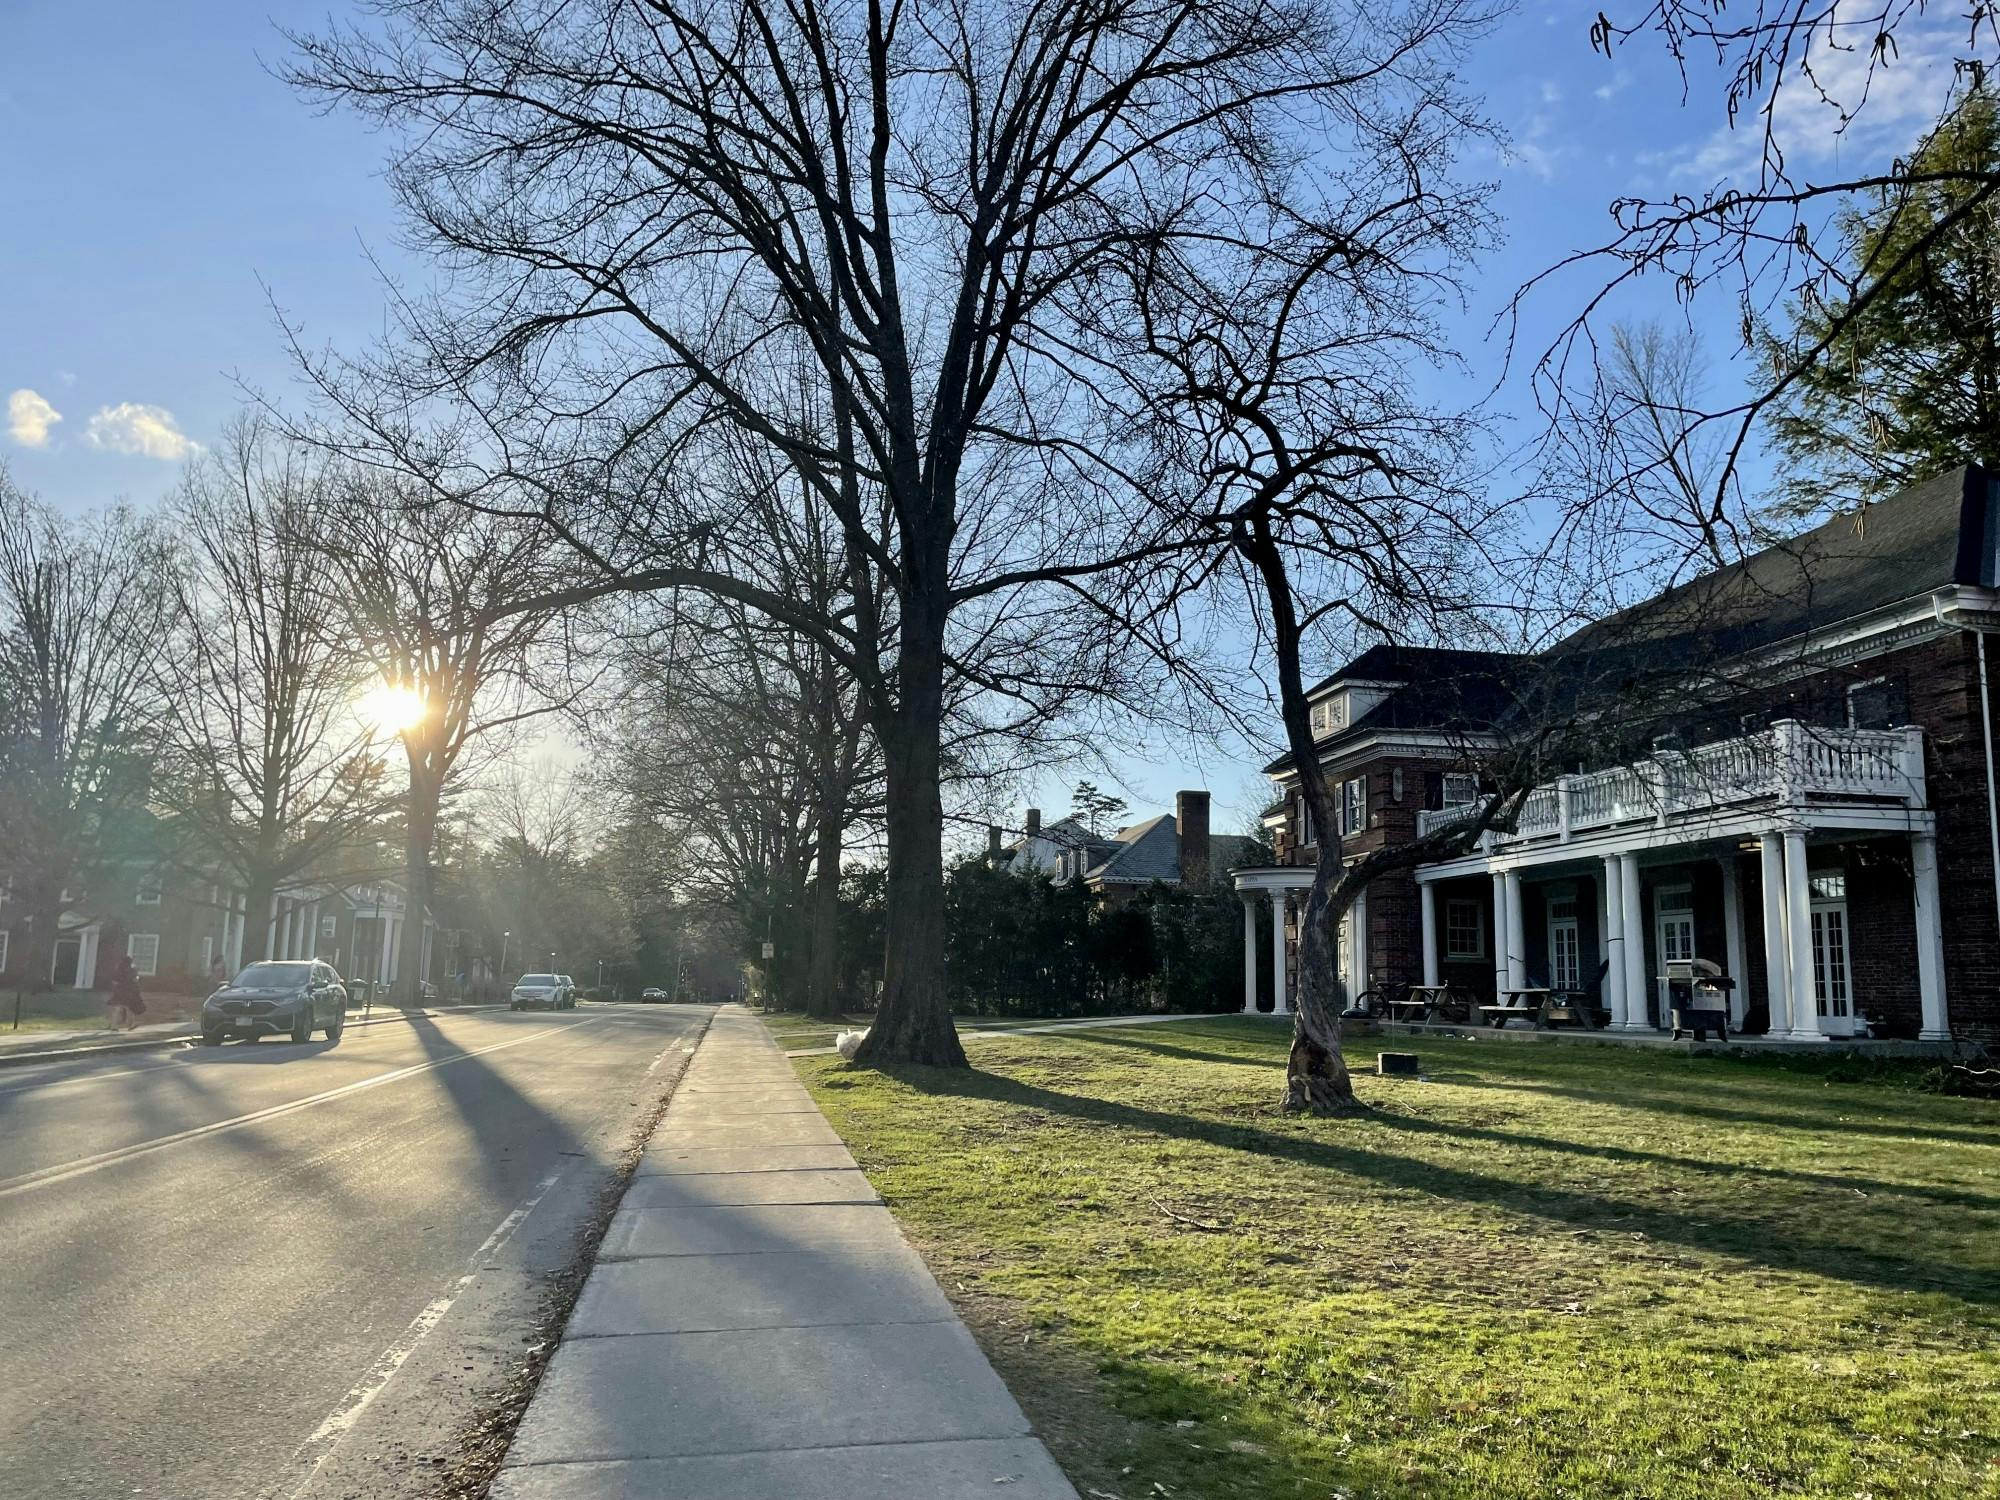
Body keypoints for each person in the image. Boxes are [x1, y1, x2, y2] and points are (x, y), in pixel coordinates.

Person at [108, 956, 146, 1032]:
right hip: (129, 991)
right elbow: (135, 979)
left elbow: (114, 981)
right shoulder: (132, 970)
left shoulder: (118, 970)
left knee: (117, 1008)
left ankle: (114, 1026)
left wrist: (117, 987)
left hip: (119, 991)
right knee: (130, 1008)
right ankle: (131, 1025)